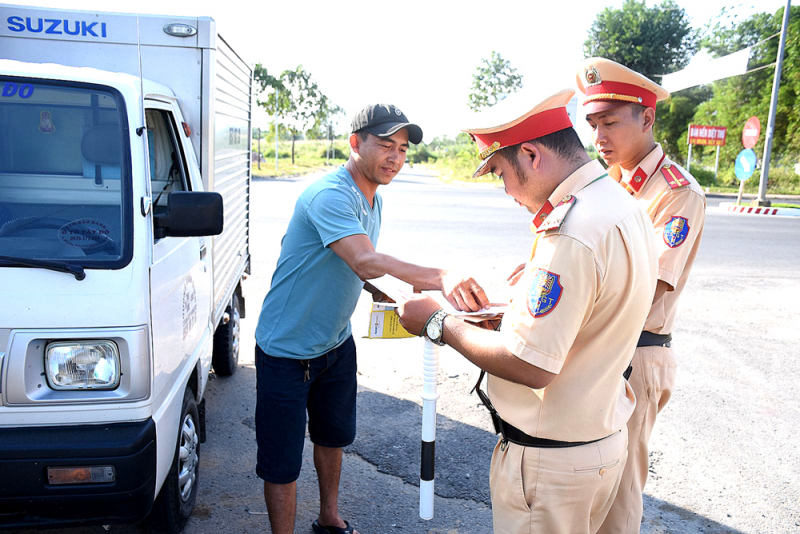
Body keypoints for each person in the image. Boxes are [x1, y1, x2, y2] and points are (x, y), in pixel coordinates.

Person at [397, 88, 659, 534]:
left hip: (552, 465)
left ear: (533, 155)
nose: (506, 191)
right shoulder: (621, 205)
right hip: (599, 444)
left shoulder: (571, 228)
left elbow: (529, 364)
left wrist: (439, 323)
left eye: (501, 172)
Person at [254, 103, 490, 534]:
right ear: (355, 143)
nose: (395, 158)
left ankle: (329, 519)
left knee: (333, 437)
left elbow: (361, 269)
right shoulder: (330, 194)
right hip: (286, 350)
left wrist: (400, 298)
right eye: (385, 145)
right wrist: (442, 277)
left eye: (402, 148)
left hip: (335, 343)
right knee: (281, 463)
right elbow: (364, 259)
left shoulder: (372, 198)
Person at [575, 58, 707, 534]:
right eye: (592, 124)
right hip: (601, 348)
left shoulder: (676, 193)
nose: (599, 137)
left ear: (647, 118)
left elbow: (649, 287)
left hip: (637, 352)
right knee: (585, 484)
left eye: (609, 122)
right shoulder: (606, 183)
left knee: (618, 497)